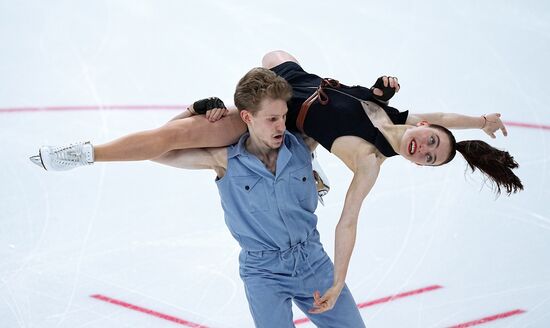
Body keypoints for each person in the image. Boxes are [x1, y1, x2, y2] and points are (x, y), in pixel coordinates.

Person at [30, 50, 523, 313]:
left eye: (431, 159)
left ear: (418, 166)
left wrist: (341, 277)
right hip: (294, 79)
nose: (426, 149)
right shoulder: (391, 109)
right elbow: (446, 116)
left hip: (280, 115)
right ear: (423, 126)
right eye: (432, 141)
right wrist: (480, 122)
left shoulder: (370, 161)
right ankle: (251, 129)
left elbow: (348, 222)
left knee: (180, 136)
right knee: (272, 51)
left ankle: (85, 154)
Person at [155, 67, 366, 327]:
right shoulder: (224, 160)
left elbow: (352, 121)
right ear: (247, 116)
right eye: (271, 119)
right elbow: (158, 149)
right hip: (263, 273)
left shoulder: (302, 143)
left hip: (313, 260)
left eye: (284, 116)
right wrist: (191, 112)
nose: (281, 126)